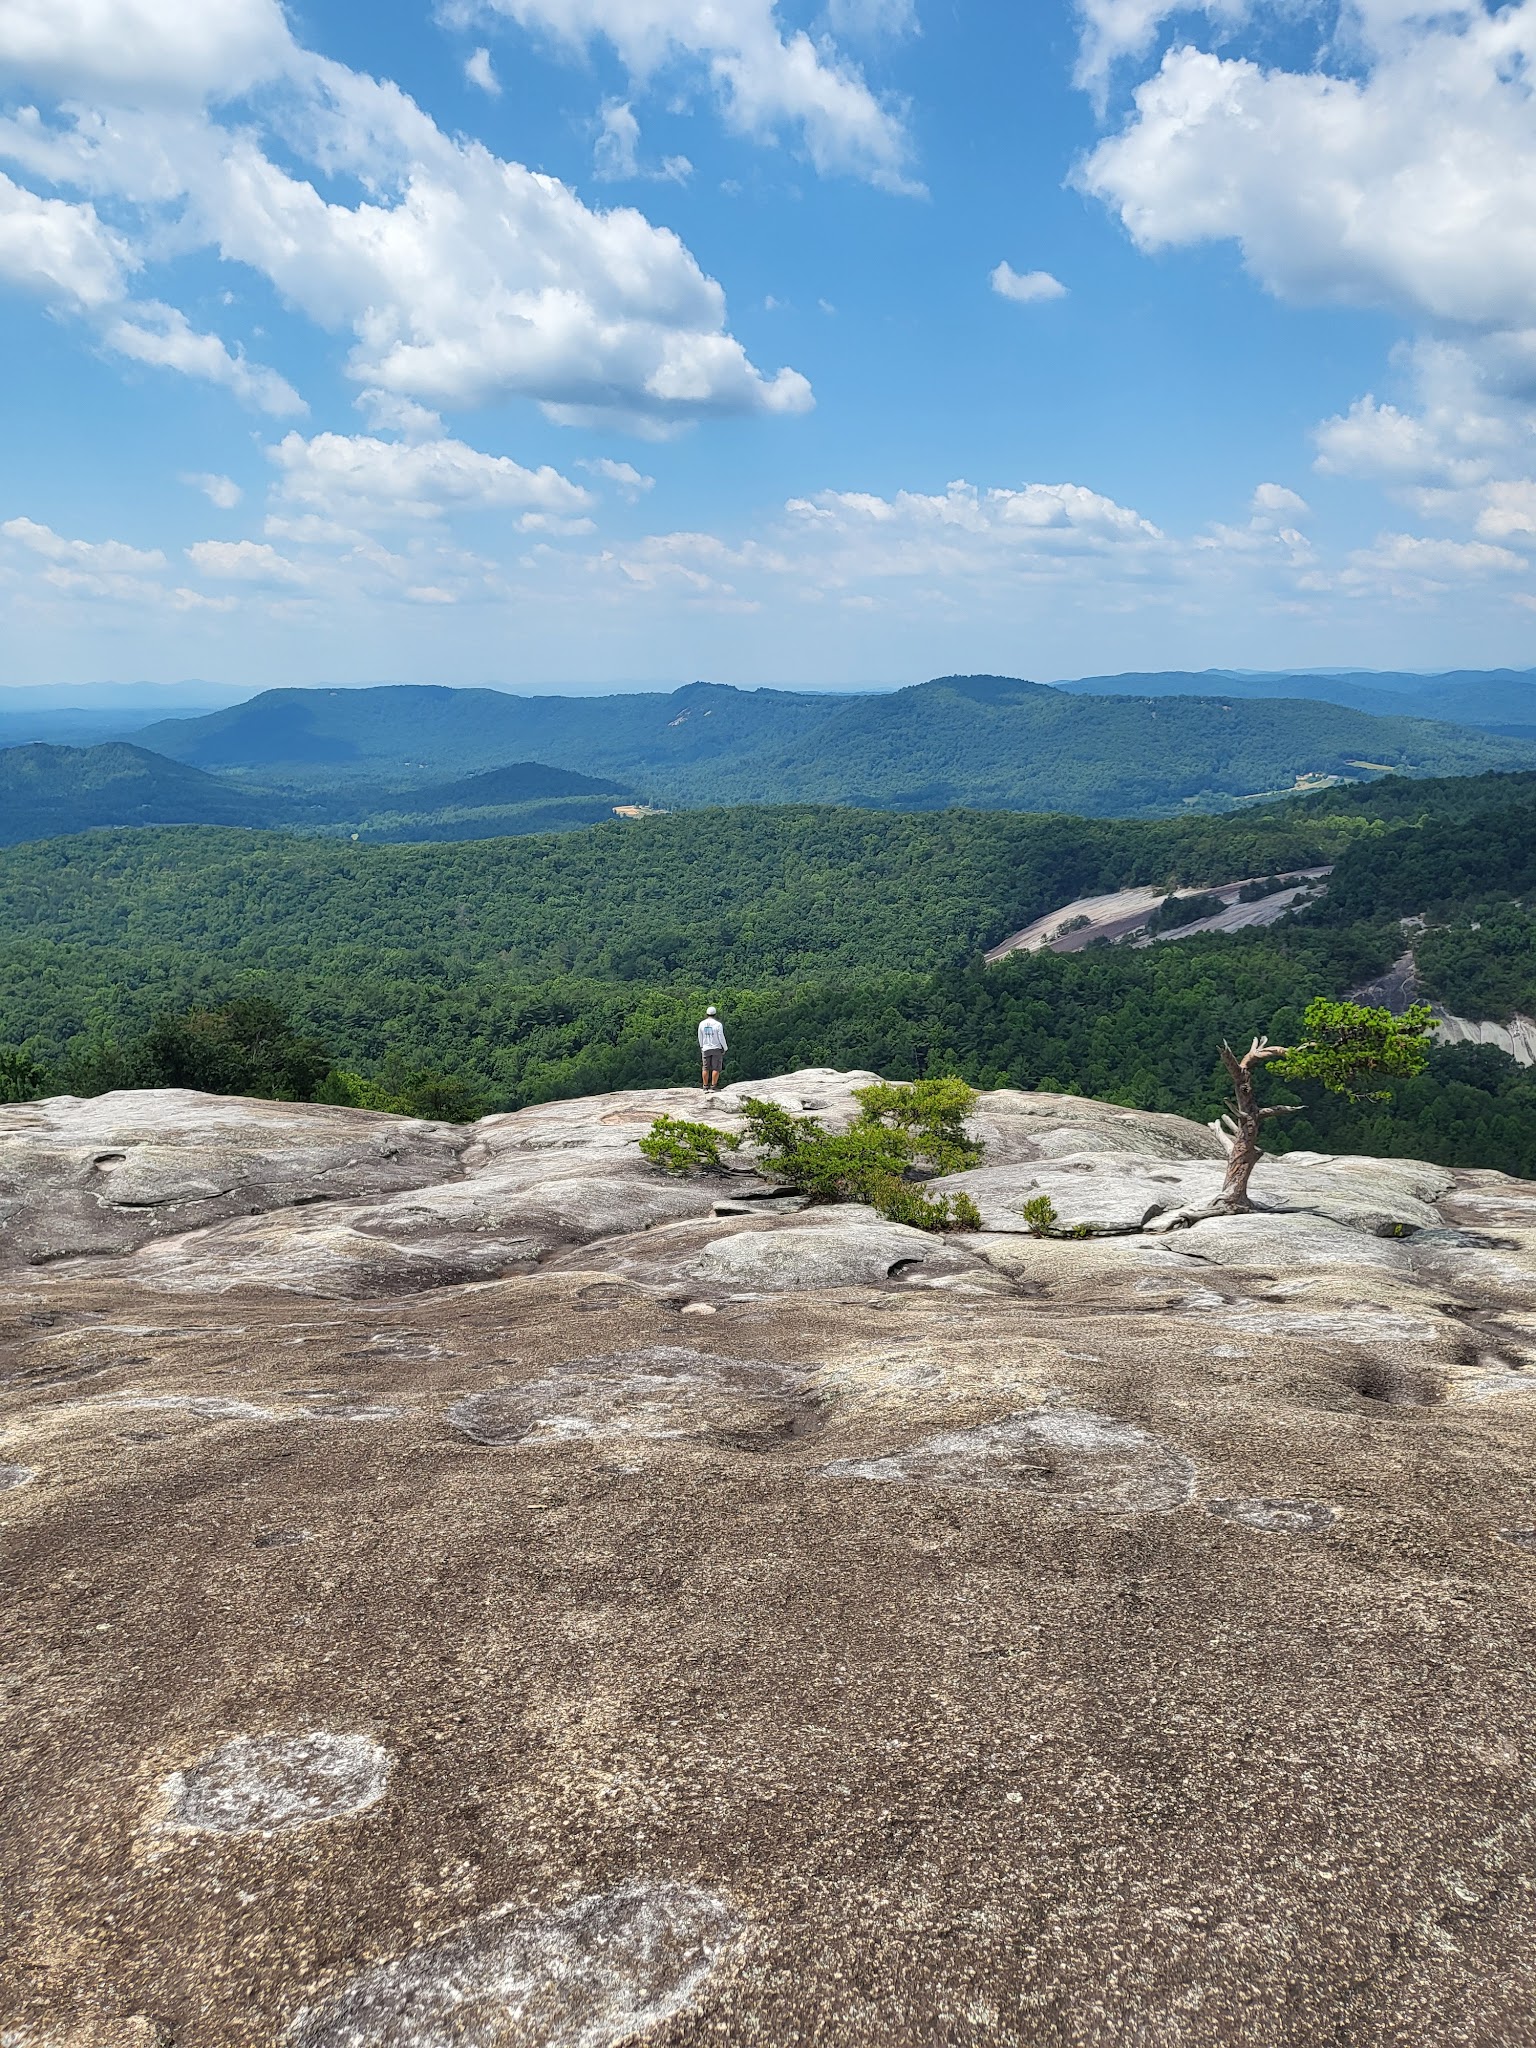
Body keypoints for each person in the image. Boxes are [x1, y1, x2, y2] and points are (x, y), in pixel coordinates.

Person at [697, 1005, 727, 1092]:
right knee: (716, 1068)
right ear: (715, 1014)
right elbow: (721, 1037)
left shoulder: (702, 1024)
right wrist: (724, 1048)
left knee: (705, 1067)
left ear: (707, 1014)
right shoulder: (718, 1024)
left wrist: (702, 1046)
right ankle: (713, 1086)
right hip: (716, 1048)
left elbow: (700, 1036)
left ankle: (705, 1086)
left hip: (705, 1048)